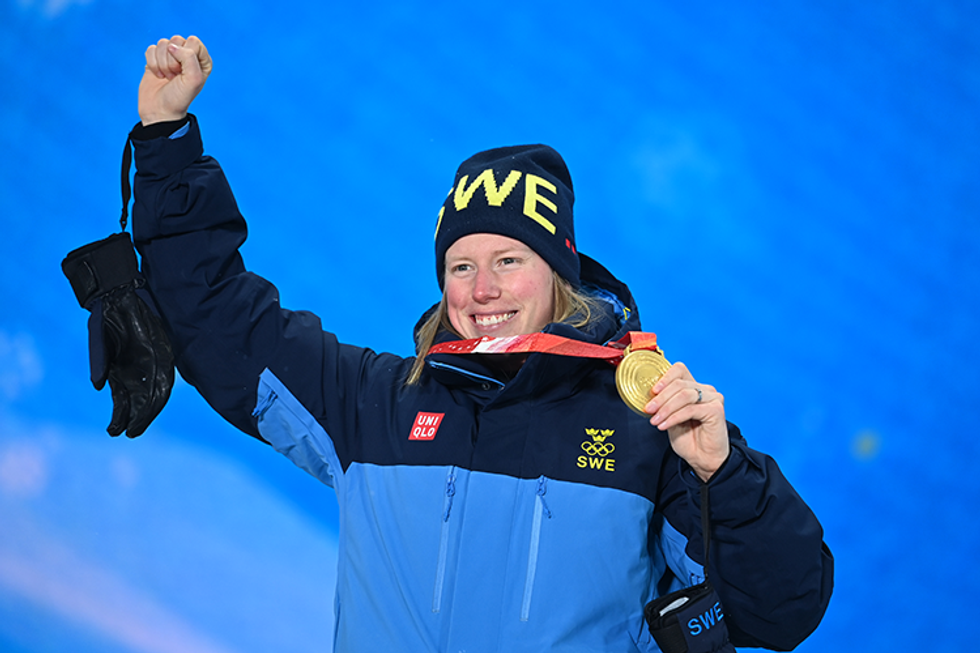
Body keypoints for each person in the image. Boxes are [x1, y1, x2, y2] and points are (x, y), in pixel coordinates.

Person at [130, 35, 833, 652]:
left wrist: (723, 475)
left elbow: (781, 611)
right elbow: (219, 318)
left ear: (558, 276)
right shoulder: (375, 404)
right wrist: (165, 137)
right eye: (461, 266)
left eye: (509, 260)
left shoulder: (650, 428)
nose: (483, 288)